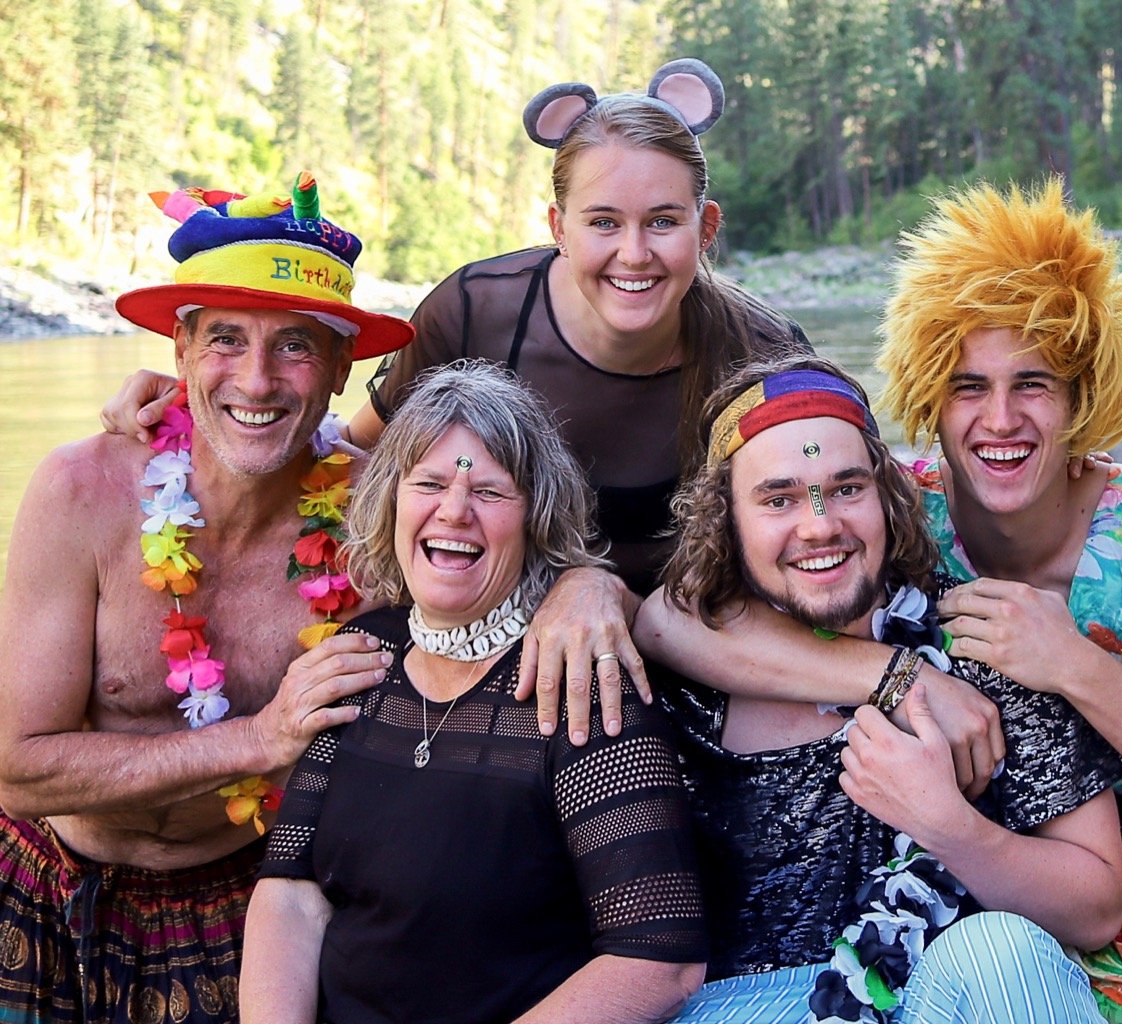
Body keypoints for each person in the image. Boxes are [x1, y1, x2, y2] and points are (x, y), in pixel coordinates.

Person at [639, 181, 1122, 1024]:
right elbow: (669, 615)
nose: (1001, 419)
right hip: (996, 863)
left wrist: (1074, 666)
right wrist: (901, 675)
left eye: (1035, 384)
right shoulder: (890, 508)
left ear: (1083, 393)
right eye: (969, 386)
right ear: (931, 399)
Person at [99, 59, 821, 747]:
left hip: (698, 646)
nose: (634, 253)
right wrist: (204, 409)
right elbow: (355, 461)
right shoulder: (475, 312)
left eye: (663, 222)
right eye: (603, 222)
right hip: (505, 649)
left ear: (708, 227)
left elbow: (829, 509)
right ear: (556, 227)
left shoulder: (758, 349)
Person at [0, 174, 412, 1023]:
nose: (256, 381)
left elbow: (508, 562)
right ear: (180, 353)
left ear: (341, 369)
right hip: (44, 879)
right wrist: (259, 737)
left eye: (295, 345)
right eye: (226, 339)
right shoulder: (80, 491)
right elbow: (16, 766)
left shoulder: (382, 521)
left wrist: (582, 588)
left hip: (252, 903)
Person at [637, 355, 1122, 1023]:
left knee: (1002, 950)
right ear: (727, 520)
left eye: (846, 489)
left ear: (888, 496)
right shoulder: (681, 685)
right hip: (743, 1007)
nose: (819, 526)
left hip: (943, 995)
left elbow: (1096, 906)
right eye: (778, 499)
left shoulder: (983, 644)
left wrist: (949, 826)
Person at [240, 360, 707, 1024]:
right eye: (428, 483)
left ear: (536, 517)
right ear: (393, 503)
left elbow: (659, 959)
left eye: (489, 492)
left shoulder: (579, 677)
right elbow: (292, 890)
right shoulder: (363, 651)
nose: (452, 511)